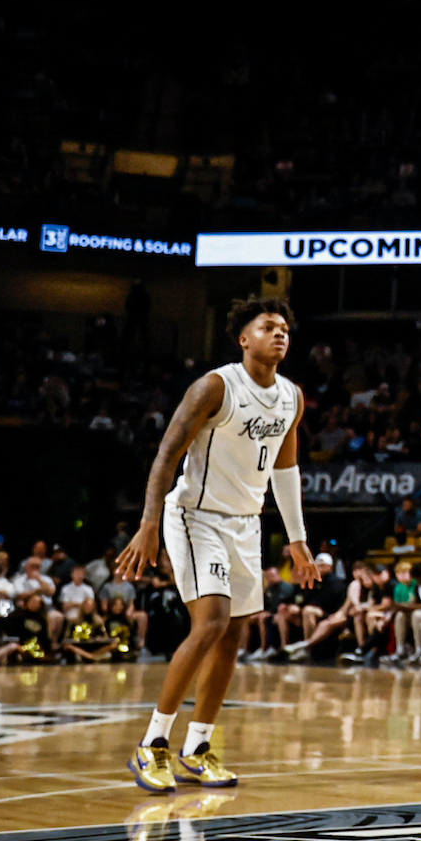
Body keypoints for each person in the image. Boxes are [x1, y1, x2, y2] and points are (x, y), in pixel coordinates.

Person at [115, 297, 320, 794]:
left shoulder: (292, 396)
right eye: (268, 327)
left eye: (285, 329)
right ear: (243, 338)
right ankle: (153, 743)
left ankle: (198, 748)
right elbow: (166, 455)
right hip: (194, 516)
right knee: (211, 622)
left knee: (234, 635)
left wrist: (298, 541)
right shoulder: (216, 385)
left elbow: (285, 469)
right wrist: (147, 523)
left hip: (247, 524)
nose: (280, 335)